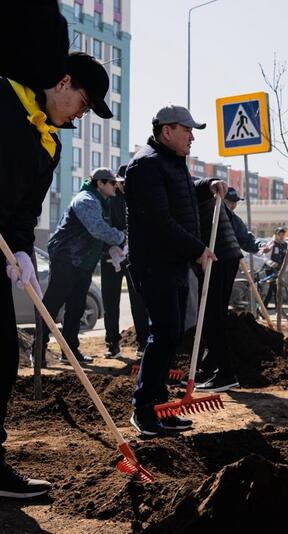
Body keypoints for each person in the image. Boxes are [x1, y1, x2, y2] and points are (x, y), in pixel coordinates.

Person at [1, 50, 111, 497]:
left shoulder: (49, 142)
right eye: (83, 103)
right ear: (63, 82)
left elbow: (26, 211)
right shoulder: (3, 96)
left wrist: (21, 250)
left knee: (3, 356)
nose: (81, 115)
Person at [126, 105, 225, 436]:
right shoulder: (145, 165)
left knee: (171, 334)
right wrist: (197, 249)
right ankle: (143, 409)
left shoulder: (170, 163)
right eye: (187, 130)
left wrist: (207, 185)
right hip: (155, 264)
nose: (192, 137)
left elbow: (183, 193)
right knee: (165, 332)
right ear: (167, 131)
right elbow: (160, 221)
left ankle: (160, 408)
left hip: (173, 263)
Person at [42, 167, 126, 363]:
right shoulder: (86, 200)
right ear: (100, 183)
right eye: (112, 183)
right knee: (52, 305)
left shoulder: (103, 202)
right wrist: (121, 238)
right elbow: (97, 228)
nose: (116, 186)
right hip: (66, 259)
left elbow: (96, 235)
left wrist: (111, 249)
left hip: (83, 262)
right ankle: (38, 350)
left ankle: (70, 352)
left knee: (76, 307)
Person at [194, 184, 245, 393]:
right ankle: (208, 368)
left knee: (212, 316)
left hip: (217, 257)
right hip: (225, 255)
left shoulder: (185, 189)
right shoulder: (190, 187)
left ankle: (226, 373)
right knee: (213, 316)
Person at [100, 165, 150, 359]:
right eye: (121, 182)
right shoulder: (108, 200)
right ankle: (112, 343)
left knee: (138, 300)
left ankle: (143, 341)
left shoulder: (138, 198)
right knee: (110, 301)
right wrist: (111, 248)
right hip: (110, 257)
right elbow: (102, 226)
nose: (124, 186)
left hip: (133, 257)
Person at [262, 227, 288, 307]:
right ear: (276, 235)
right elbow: (265, 258)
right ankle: (264, 306)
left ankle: (277, 307)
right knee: (272, 287)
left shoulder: (285, 244)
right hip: (270, 269)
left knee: (277, 288)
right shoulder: (271, 244)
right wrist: (273, 264)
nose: (281, 236)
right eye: (279, 234)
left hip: (280, 269)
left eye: (283, 234)